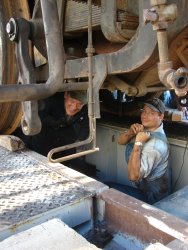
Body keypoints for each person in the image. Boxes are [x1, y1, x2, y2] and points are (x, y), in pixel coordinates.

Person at [15, 90, 96, 176]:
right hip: (42, 137)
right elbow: (37, 119)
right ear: (65, 95)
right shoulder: (49, 101)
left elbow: (86, 128)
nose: (74, 107)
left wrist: (79, 142)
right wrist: (59, 121)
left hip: (63, 142)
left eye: (79, 104)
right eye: (72, 101)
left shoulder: (85, 110)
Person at [117, 98, 171, 204]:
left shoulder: (156, 145)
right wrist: (130, 133)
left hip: (152, 200)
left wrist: (138, 143)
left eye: (151, 113)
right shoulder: (146, 129)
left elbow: (133, 176)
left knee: (106, 187)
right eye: (144, 111)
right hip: (142, 189)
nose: (145, 116)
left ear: (161, 117)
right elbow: (120, 141)